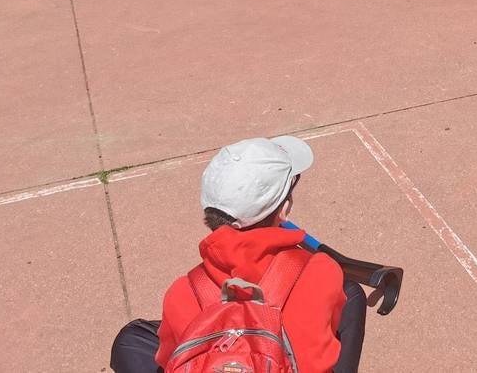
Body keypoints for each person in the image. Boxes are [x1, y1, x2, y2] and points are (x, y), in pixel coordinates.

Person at [109, 136, 368, 373]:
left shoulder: (182, 292)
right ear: (284, 210)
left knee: (132, 338)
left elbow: (168, 359)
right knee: (351, 292)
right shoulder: (321, 271)